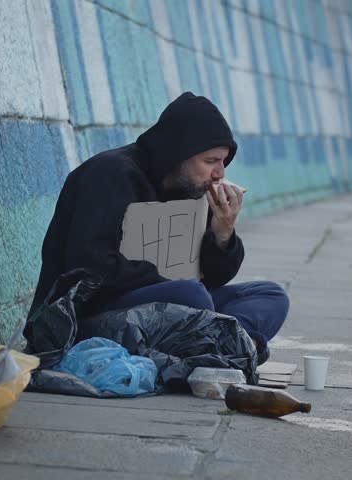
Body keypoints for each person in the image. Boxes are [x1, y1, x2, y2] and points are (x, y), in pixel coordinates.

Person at [29, 92, 288, 364]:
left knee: (270, 295)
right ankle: (228, 346)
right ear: (180, 153)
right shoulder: (110, 174)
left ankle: (233, 344)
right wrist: (168, 280)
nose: (220, 173)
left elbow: (212, 278)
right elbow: (89, 267)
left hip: (167, 308)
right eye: (211, 161)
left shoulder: (191, 190)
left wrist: (223, 233)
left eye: (223, 161)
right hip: (92, 316)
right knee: (191, 295)